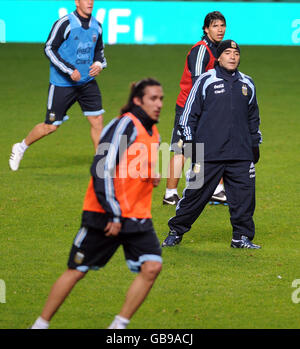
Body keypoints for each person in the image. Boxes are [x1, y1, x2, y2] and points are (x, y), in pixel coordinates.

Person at [29, 78, 164, 329]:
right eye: (153, 99)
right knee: (77, 270)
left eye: (161, 99)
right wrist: (113, 213)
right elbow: (101, 169)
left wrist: (150, 173)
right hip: (105, 213)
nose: (159, 104)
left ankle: (118, 326)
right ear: (138, 101)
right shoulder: (125, 125)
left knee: (152, 267)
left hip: (136, 214)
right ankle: (40, 324)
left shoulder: (152, 130)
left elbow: (133, 164)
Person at [162, 40, 262, 249]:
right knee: (194, 195)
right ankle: (176, 231)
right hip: (208, 153)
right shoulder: (205, 81)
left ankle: (241, 237)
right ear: (218, 57)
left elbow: (254, 118)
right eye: (227, 53)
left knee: (244, 197)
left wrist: (254, 145)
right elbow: (189, 113)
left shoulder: (247, 83)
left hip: (241, 154)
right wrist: (190, 141)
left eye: (236, 53)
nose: (233, 56)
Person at [9, 0, 107, 171]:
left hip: (87, 83)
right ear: (77, 2)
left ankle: (101, 166)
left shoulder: (97, 26)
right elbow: (49, 48)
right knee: (51, 126)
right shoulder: (65, 23)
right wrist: (69, 70)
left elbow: (99, 52)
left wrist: (99, 64)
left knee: (97, 120)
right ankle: (21, 147)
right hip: (63, 84)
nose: (90, 2)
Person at [163, 11, 227, 206]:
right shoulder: (201, 50)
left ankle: (216, 189)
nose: (220, 29)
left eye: (222, 25)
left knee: (214, 146)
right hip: (189, 108)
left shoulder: (217, 49)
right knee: (181, 149)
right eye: (215, 26)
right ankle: (170, 194)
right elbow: (198, 82)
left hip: (205, 108)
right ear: (206, 29)